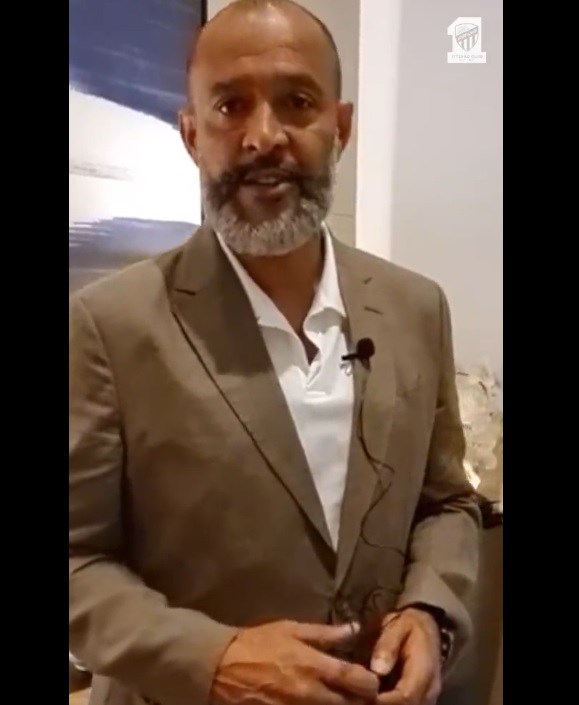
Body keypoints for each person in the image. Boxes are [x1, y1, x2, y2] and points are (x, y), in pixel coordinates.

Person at [69, 1, 481, 704]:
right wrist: (212, 658)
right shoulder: (108, 325)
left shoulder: (416, 308)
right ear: (192, 135)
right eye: (231, 106)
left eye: (297, 102)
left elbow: (446, 501)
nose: (264, 136)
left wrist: (430, 610)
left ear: (340, 127)